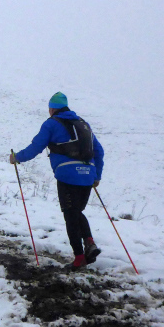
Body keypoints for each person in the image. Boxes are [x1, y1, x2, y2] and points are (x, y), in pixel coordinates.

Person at [10, 92, 104, 270]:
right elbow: (99, 151)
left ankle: (79, 258)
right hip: (88, 174)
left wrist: (17, 158)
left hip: (67, 174)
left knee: (70, 215)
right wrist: (97, 175)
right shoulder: (83, 124)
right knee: (76, 212)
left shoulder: (51, 123)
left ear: (52, 109)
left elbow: (36, 147)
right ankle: (89, 243)